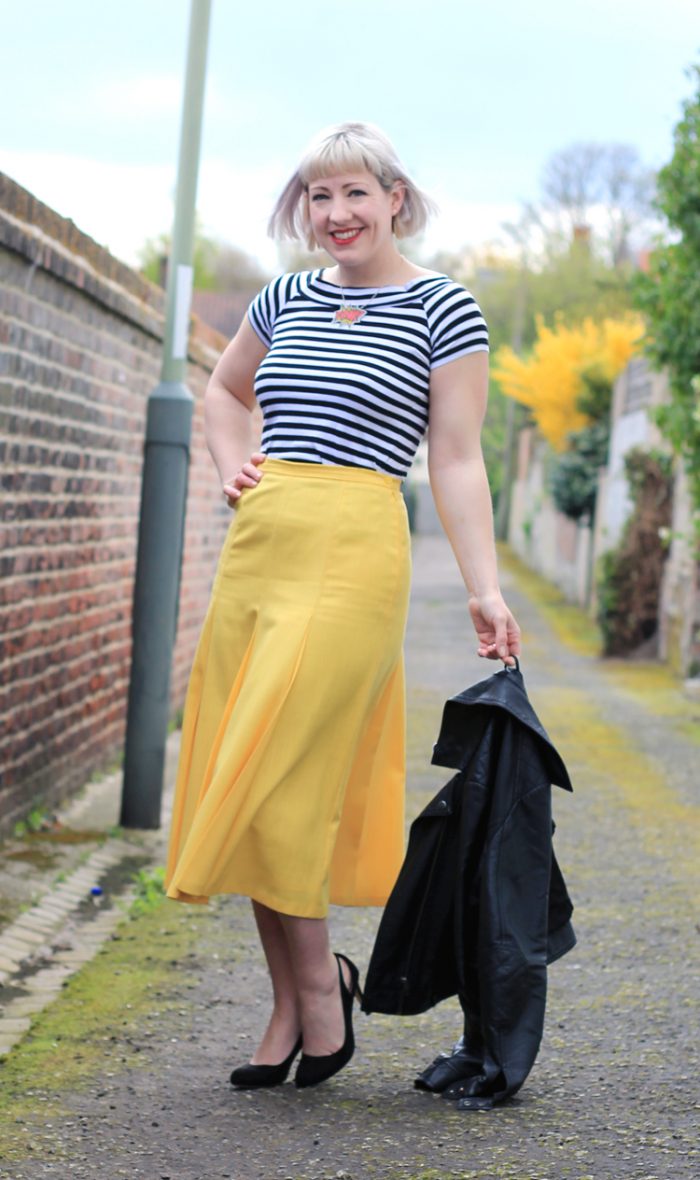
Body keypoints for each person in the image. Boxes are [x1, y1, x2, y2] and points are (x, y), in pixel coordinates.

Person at [164, 121, 521, 1092]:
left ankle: (322, 988)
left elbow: (454, 459)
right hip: (263, 551)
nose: (335, 215)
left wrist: (484, 587)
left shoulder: (444, 309)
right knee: (247, 773)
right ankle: (291, 1005)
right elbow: (224, 395)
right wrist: (236, 466)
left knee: (286, 776)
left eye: (354, 194)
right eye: (318, 199)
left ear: (394, 197)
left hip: (357, 553)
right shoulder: (282, 298)